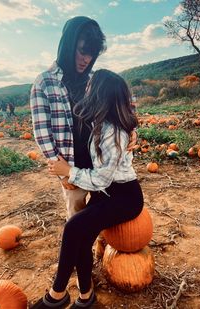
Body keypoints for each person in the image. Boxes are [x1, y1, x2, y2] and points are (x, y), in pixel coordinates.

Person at [31, 69, 144, 309]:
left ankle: (56, 295)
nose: (87, 90)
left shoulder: (113, 132)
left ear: (100, 96)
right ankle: (85, 297)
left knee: (73, 227)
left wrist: (68, 172)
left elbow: (102, 179)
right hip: (108, 193)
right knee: (81, 237)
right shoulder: (100, 124)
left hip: (124, 197)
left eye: (91, 87)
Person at [30, 16, 137, 220]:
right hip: (71, 165)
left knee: (104, 212)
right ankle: (81, 251)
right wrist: (63, 172)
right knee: (77, 218)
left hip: (101, 163)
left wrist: (130, 130)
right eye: (82, 51)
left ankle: (104, 247)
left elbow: (121, 106)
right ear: (67, 46)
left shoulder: (97, 79)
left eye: (92, 54)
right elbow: (43, 134)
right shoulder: (44, 83)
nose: (86, 59)